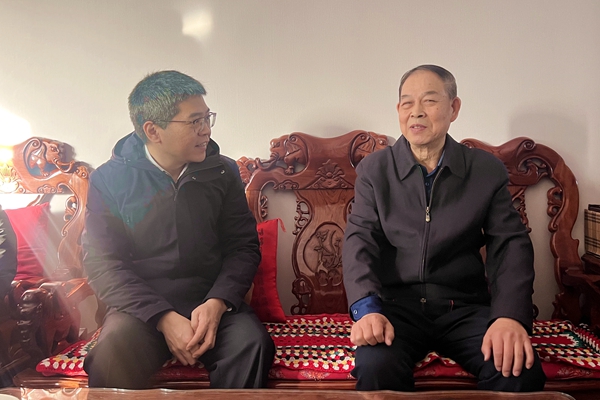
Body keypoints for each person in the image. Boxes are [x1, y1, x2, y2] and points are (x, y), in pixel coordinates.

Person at [342, 65, 546, 392]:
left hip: (464, 308)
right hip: (396, 309)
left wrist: (509, 316)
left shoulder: (484, 170)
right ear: (398, 110)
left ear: (454, 108)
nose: (416, 112)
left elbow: (510, 245)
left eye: (429, 100)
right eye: (407, 103)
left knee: (517, 370)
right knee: (376, 365)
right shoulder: (375, 171)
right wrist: (367, 310)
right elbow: (359, 242)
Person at [82, 70, 275, 389]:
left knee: (252, 345)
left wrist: (217, 303)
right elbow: (103, 263)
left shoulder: (222, 171)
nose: (206, 130)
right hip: (141, 308)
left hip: (212, 301)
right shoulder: (109, 180)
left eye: (207, 118)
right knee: (112, 353)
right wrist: (163, 317)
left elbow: (243, 247)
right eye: (195, 121)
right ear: (153, 131)